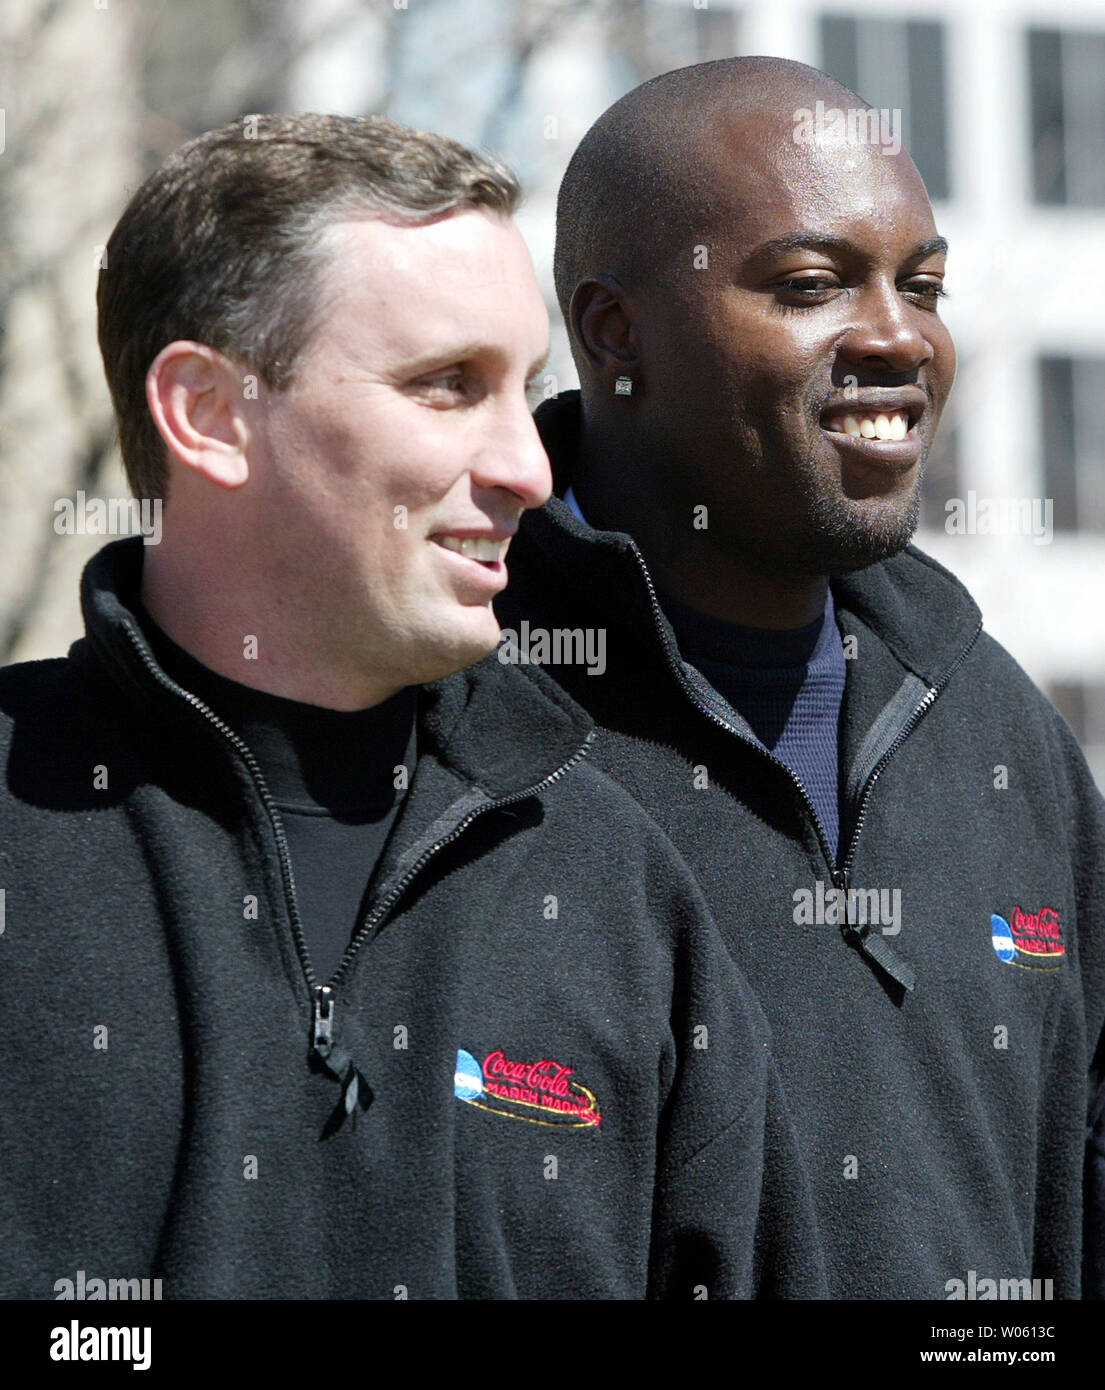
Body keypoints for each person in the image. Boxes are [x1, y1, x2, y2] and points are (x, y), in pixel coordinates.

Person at [0, 113, 826, 1301]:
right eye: (449, 387)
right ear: (208, 413)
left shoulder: (609, 879)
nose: (528, 468)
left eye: (524, 390)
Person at [497, 57, 1105, 1299]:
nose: (896, 336)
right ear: (615, 334)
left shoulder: (988, 723)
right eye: (814, 285)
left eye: (922, 285)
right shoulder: (462, 712)